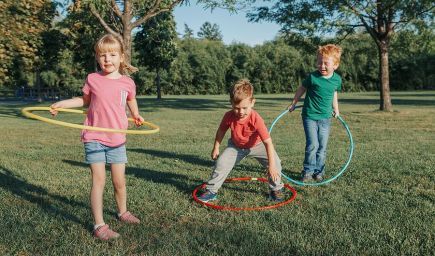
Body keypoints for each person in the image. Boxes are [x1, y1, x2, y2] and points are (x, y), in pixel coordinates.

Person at [50, 34, 144, 240]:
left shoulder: (127, 82)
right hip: (94, 135)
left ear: (121, 57)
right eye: (102, 55)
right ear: (97, 57)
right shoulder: (93, 79)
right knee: (99, 181)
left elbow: (132, 100)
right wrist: (62, 104)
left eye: (112, 54)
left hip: (117, 138)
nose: (107, 59)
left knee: (119, 182)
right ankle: (99, 225)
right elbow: (83, 101)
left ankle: (123, 212)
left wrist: (136, 114)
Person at [198, 79, 284, 203]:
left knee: (275, 164)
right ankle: (211, 191)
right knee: (221, 163)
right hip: (236, 146)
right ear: (231, 103)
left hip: (257, 145)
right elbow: (221, 131)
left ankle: (275, 189)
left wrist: (271, 166)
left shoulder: (256, 118)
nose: (241, 112)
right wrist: (216, 147)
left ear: (252, 102)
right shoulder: (228, 116)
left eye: (244, 108)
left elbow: (268, 143)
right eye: (236, 108)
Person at [288, 44, 342, 182]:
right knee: (313, 145)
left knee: (322, 146)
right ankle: (307, 171)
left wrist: (336, 109)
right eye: (319, 62)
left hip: (325, 118)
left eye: (326, 63)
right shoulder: (313, 77)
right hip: (310, 116)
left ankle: (319, 172)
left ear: (335, 65)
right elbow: (301, 88)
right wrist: (294, 102)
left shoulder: (337, 80)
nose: (322, 66)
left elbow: (334, 93)